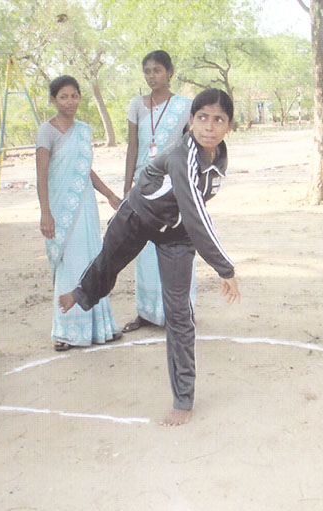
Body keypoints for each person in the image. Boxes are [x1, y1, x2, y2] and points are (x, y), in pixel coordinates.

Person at [59, 88, 241, 426]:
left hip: (177, 233)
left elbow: (194, 213)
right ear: (191, 120)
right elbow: (198, 215)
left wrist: (215, 261)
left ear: (229, 126)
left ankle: (182, 399)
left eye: (219, 120)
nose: (209, 126)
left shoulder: (219, 157)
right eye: (202, 117)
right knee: (109, 261)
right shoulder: (181, 157)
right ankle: (83, 292)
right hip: (138, 216)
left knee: (179, 313)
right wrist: (225, 268)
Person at [35, 75, 122, 351]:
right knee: (68, 263)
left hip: (85, 207)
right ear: (53, 100)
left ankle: (99, 327)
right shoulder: (46, 131)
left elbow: (85, 171)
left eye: (74, 96)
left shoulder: (84, 130)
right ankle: (66, 331)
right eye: (63, 97)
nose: (70, 102)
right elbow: (42, 174)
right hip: (60, 210)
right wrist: (45, 212)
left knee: (92, 260)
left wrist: (109, 194)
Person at [122, 50, 195, 333]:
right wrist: (127, 187)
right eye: (147, 71)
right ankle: (147, 312)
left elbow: (191, 146)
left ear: (169, 72)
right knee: (145, 250)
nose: (152, 76)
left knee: (175, 247)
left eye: (157, 70)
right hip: (144, 185)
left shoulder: (185, 106)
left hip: (173, 185)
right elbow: (132, 147)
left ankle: (180, 311)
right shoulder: (136, 105)